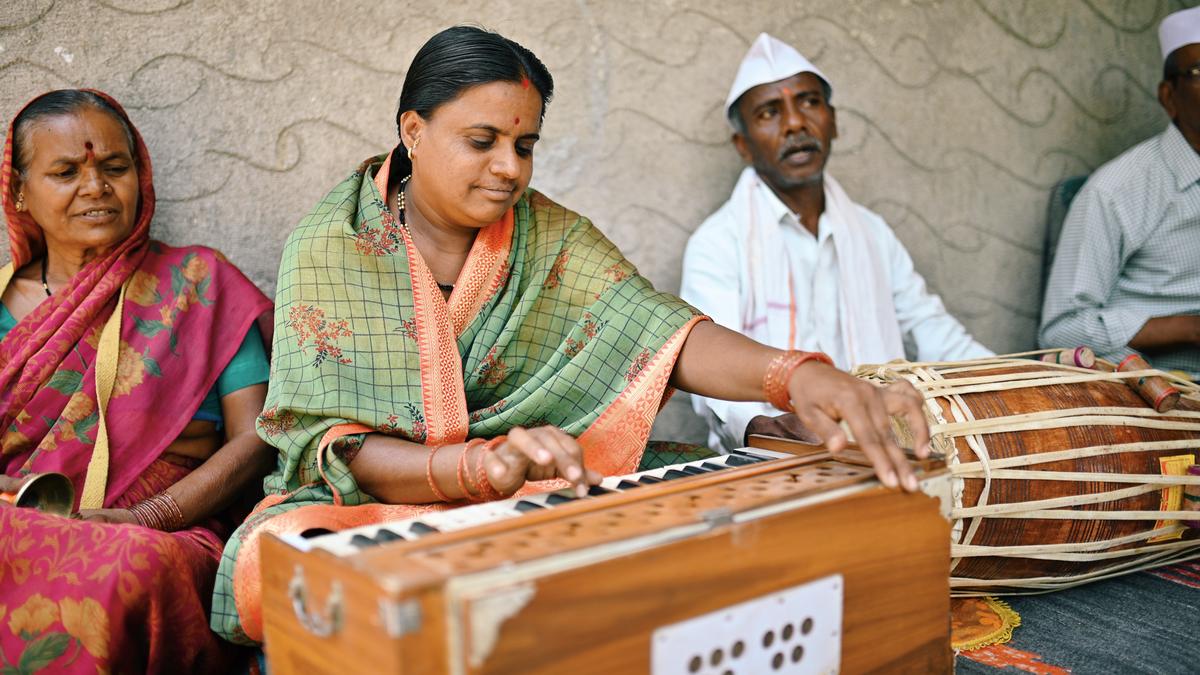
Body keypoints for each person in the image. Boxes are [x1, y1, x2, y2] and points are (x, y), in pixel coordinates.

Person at [210, 26, 933, 646]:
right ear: (413, 131)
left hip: (534, 485)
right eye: (483, 141)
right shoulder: (330, 246)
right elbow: (333, 446)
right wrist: (477, 466)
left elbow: (661, 331)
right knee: (280, 559)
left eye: (524, 145)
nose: (509, 169)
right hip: (372, 503)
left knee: (730, 502)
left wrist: (796, 375)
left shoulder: (549, 233)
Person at [0, 89, 275, 673]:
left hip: (164, 530)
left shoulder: (198, 283)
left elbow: (256, 437)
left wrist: (149, 517)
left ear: (140, 176)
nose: (95, 187)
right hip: (23, 520)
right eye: (66, 172)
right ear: (19, 192)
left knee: (130, 567)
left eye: (114, 167)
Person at [680, 33, 991, 452]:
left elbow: (936, 335)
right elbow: (712, 377)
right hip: (771, 458)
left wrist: (1033, 376)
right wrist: (776, 428)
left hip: (885, 443)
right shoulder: (717, 243)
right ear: (743, 145)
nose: (795, 123)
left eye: (809, 102)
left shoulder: (872, 232)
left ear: (834, 122)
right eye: (770, 112)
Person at [1040, 7, 1200, 379]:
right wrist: (1189, 328)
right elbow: (1061, 330)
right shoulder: (1117, 190)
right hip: (1162, 393)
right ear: (1169, 96)